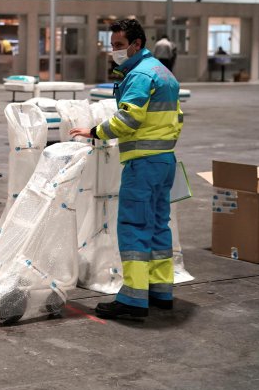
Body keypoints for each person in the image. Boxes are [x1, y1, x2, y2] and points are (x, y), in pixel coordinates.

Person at [69, 18, 183, 320]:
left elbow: (128, 119)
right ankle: (161, 290)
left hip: (142, 163)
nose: (114, 51)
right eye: (112, 46)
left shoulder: (140, 75)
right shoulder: (163, 72)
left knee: (134, 227)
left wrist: (94, 132)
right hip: (165, 160)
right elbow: (177, 118)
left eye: (119, 46)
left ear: (137, 44)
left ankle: (133, 299)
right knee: (159, 224)